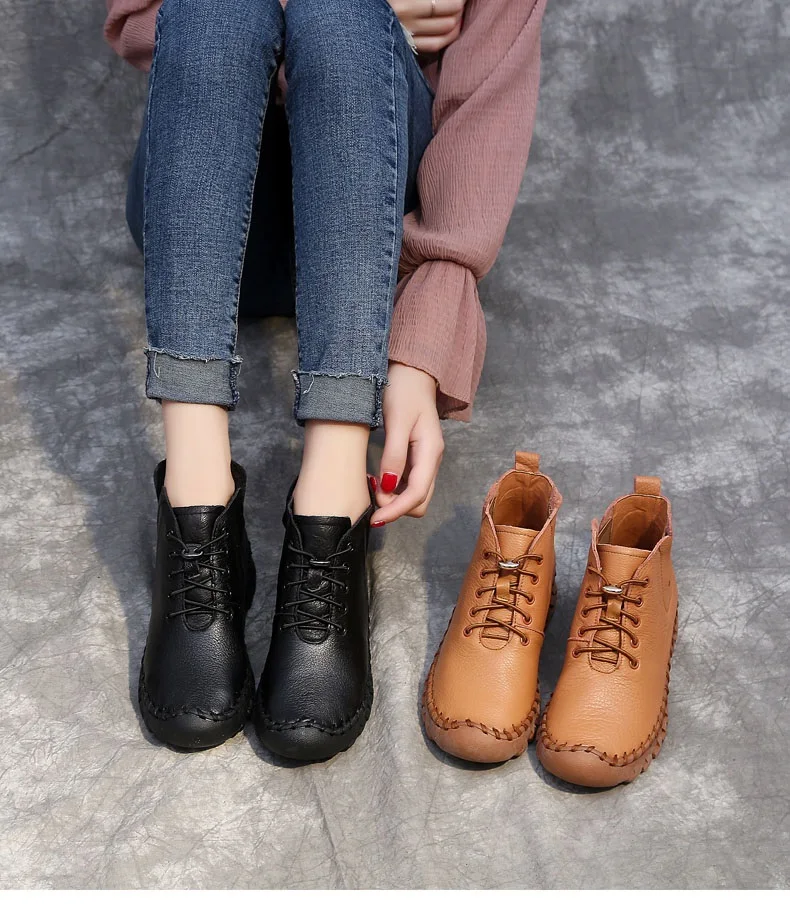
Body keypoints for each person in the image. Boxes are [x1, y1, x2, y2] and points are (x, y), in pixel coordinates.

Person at [104, 0, 546, 760]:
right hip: (210, 225)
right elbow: (141, 20)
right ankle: (195, 499)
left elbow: (488, 109)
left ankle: (332, 502)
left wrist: (421, 346)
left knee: (342, 17)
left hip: (376, 241)